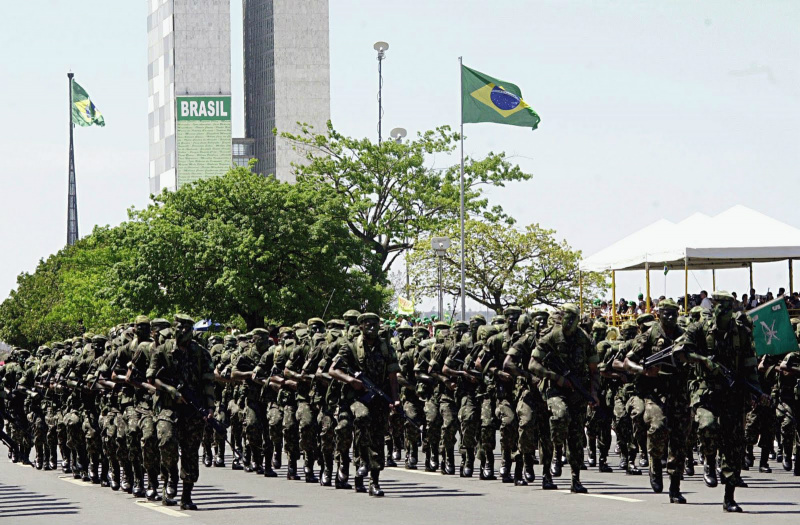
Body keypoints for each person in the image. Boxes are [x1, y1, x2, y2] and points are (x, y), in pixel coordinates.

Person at [684, 291, 767, 512]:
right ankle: (709, 459)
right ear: (714, 306)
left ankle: (729, 497)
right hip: (707, 391)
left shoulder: (741, 332)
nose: (725, 311)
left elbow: (750, 366)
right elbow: (682, 351)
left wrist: (757, 392)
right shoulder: (699, 329)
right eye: (721, 306)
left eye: (729, 307)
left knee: (734, 446)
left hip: (733, 394)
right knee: (707, 426)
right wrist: (704, 361)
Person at [624, 298, 689, 504]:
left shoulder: (684, 336)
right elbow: (627, 361)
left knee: (679, 440)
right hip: (655, 392)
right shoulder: (649, 336)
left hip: (679, 392)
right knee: (658, 427)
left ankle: (675, 487)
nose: (670, 317)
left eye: (673, 313)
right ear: (658, 314)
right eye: (666, 313)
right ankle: (654, 463)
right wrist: (643, 371)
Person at [147, 314, 216, 509]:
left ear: (191, 331)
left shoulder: (201, 353)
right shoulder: (162, 351)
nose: (181, 331)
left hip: (193, 410)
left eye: (186, 328)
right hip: (168, 407)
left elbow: (208, 382)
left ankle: (186, 496)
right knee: (167, 442)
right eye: (178, 327)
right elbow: (152, 378)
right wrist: (170, 390)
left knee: (190, 452)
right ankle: (170, 476)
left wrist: (210, 408)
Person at [329, 312, 401, 497]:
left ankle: (373, 481)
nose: (372, 327)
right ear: (360, 326)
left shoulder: (386, 347)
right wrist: (351, 380)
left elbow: (393, 376)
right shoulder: (350, 347)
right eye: (367, 324)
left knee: (378, 437)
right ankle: (361, 461)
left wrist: (395, 399)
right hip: (355, 398)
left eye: (375, 324)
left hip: (378, 398)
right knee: (362, 418)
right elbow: (333, 370)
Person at [529, 303, 599, 494]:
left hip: (577, 391)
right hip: (554, 390)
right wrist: (556, 377)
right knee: (560, 416)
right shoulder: (551, 336)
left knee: (576, 434)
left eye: (572, 318)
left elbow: (594, 370)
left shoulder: (584, 339)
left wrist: (593, 393)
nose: (568, 322)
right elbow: (533, 365)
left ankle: (575, 478)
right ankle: (553, 460)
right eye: (566, 317)